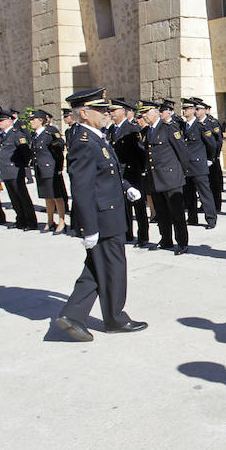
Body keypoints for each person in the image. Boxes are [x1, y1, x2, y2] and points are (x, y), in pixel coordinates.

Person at [54, 88, 147, 342]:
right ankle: (115, 319)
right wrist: (89, 228)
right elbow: (82, 189)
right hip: (103, 218)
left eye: (107, 109)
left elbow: (106, 173)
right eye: (101, 109)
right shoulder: (84, 142)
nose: (107, 113)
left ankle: (72, 315)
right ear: (84, 113)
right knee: (113, 267)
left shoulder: (95, 138)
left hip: (109, 213)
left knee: (97, 267)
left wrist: (125, 187)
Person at [141, 100, 190, 254]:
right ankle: (166, 240)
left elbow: (182, 152)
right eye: (142, 113)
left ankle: (182, 242)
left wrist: (180, 173)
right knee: (161, 213)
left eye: (146, 112)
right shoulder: (148, 131)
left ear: (155, 112)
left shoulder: (169, 128)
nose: (143, 115)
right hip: (155, 179)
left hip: (171, 178)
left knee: (177, 213)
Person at [107, 99, 148, 246]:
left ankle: (143, 236)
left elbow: (141, 152)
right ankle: (127, 234)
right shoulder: (112, 130)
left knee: (139, 207)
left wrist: (142, 170)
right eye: (110, 110)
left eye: (114, 110)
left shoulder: (132, 129)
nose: (111, 113)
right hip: (119, 174)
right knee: (124, 207)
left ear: (123, 111)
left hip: (132, 172)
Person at [0, 109, 38, 230]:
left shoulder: (16, 134)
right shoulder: (1, 135)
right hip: (6, 170)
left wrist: (21, 166)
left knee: (22, 197)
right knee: (13, 197)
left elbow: (26, 153)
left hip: (15, 170)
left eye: (2, 120)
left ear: (10, 120)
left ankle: (31, 221)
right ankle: (20, 220)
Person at [180, 97, 217, 228]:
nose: (184, 111)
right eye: (183, 108)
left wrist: (209, 159)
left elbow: (212, 144)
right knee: (189, 194)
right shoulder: (183, 127)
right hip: (187, 166)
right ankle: (192, 218)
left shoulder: (201, 126)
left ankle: (211, 219)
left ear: (193, 110)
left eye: (186, 108)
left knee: (204, 193)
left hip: (199, 165)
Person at [29, 109, 68, 233]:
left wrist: (58, 168)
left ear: (41, 120)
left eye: (33, 119)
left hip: (50, 169)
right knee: (47, 196)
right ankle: (50, 221)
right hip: (40, 169)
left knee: (56, 196)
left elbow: (59, 151)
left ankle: (62, 221)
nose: (31, 122)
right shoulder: (34, 135)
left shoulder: (49, 133)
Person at [195, 98, 224, 212]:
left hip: (211, 158)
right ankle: (205, 205)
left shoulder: (212, 122)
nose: (196, 111)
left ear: (204, 110)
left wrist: (214, 157)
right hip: (201, 159)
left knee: (214, 183)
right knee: (204, 185)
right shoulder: (196, 124)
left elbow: (218, 141)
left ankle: (216, 205)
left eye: (198, 109)